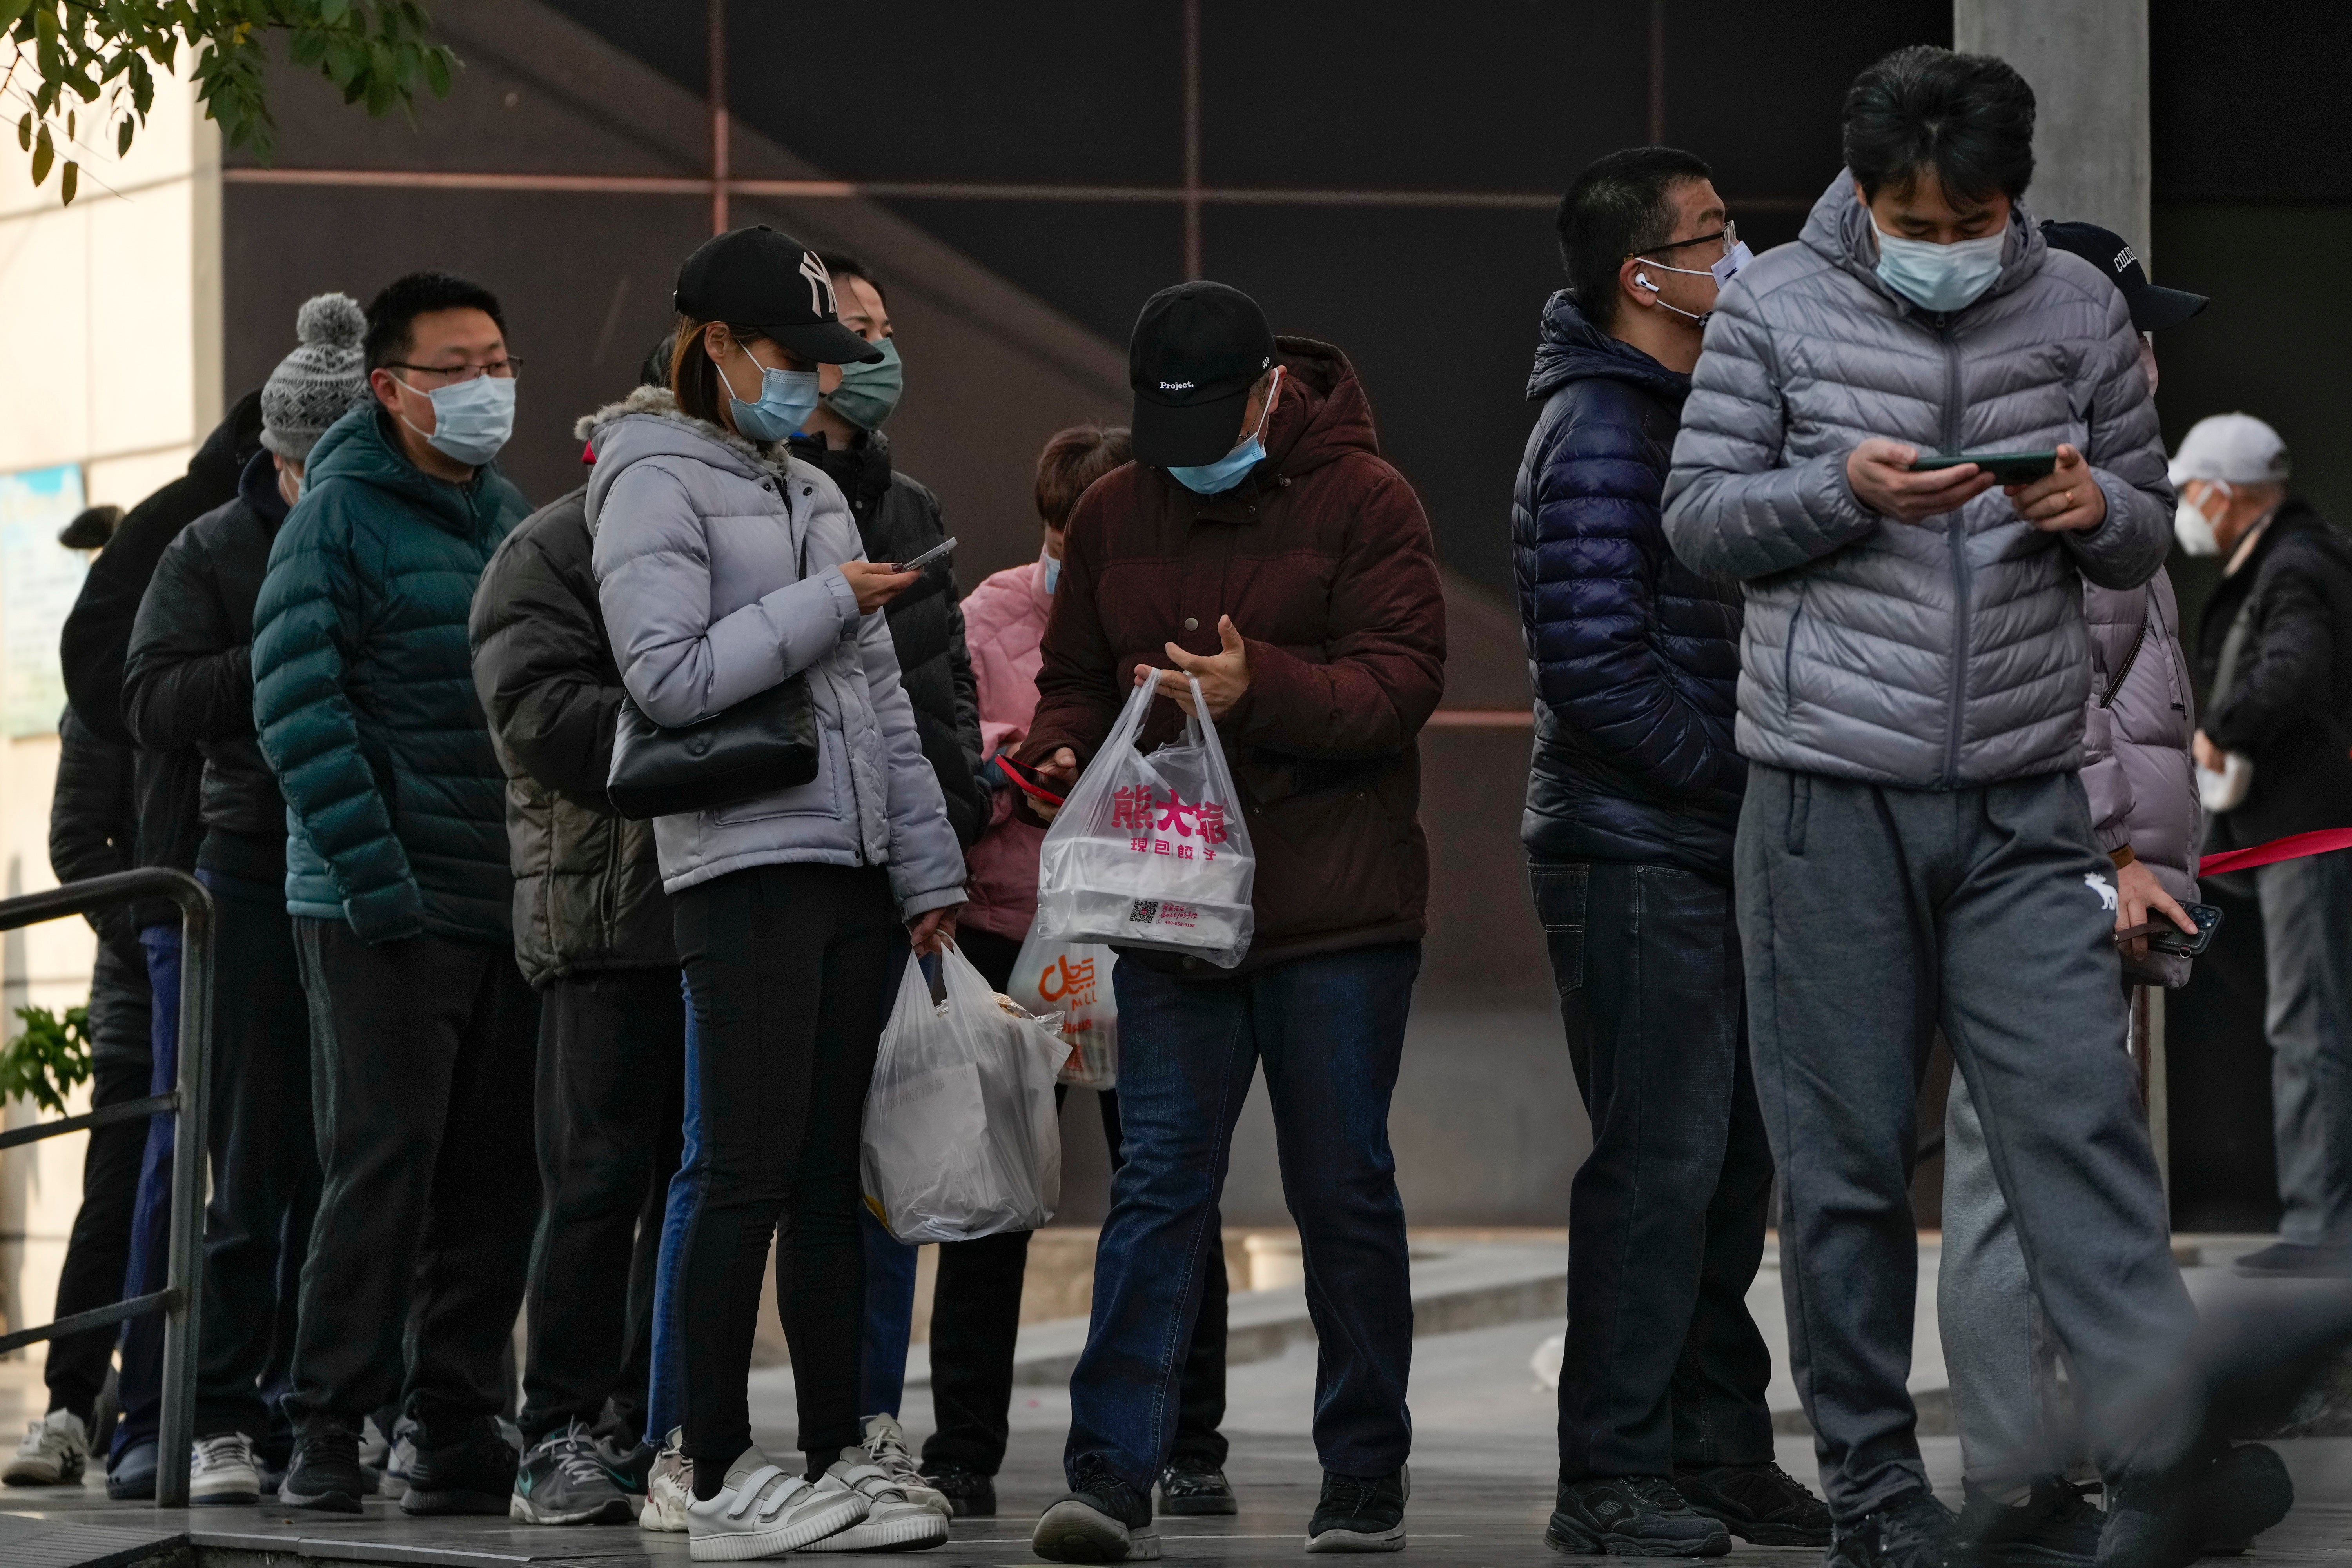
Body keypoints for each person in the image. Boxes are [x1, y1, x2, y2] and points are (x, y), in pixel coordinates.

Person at [1662, 46, 2223, 1568]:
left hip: (2026, 802)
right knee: (1844, 1162)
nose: (1941, 245)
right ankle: (1875, 1491)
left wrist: (2095, 508)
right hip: (1824, 797)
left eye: (1968, 221)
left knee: (2081, 1132)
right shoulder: (1772, 306)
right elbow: (1699, 518)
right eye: (1912, 221)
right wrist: (1841, 489)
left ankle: (2161, 1469)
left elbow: (2144, 528)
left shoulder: (2081, 309)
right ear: (1861, 192)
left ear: (2012, 200)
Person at [1017, 282, 1446, 1561]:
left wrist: (1265, 688)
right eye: (1169, 430)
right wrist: (1059, 746)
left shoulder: (1369, 500)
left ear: (1269, 393)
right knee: (1159, 1182)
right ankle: (1111, 1476)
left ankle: (1362, 1472)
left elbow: (1402, 683)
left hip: (1336, 910)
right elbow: (1072, 677)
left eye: (1212, 423)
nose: (1189, 454)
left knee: (1342, 1185)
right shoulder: (1116, 509)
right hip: (1174, 904)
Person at [588, 224, 960, 1558]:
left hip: (850, 866)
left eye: (824, 357)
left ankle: (837, 1449)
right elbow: (666, 676)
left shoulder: (807, 487)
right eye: (791, 356)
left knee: (824, 1176)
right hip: (742, 863)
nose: (816, 381)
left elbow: (886, 706)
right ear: (718, 348)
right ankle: (703, 1461)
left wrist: (925, 867)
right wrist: (826, 604)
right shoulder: (647, 478)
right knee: (739, 1168)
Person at [1514, 147, 1828, 1557]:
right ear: (1646, 278)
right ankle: (1610, 1476)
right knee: (1658, 1166)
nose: (1739, 250)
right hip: (1636, 850)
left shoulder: (1690, 412)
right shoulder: (1600, 426)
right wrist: (1738, 787)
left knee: (1726, 1167)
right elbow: (1595, 668)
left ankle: (1715, 1450)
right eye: (1713, 235)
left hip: (1704, 846)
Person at [253, 272, 539, 1515]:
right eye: (457, 369)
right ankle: (327, 1424)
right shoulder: (335, 518)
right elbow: (296, 706)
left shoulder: (508, 515)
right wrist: (377, 881)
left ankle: (455, 1420)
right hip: (379, 908)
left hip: (504, 909)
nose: (487, 388)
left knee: (494, 1176)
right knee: (381, 1168)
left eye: (499, 363)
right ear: (389, 387)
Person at [918, 423, 1238, 1523]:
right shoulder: (986, 617)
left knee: (1167, 1182)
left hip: (1142, 931)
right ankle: (962, 1446)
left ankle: (1190, 1441)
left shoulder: (1183, 612)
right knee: (992, 1198)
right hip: (1011, 931)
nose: (1080, 558)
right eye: (1066, 539)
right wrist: (1021, 767)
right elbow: (950, 750)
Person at [121, 294, 372, 1505]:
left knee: (351, 1164)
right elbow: (150, 700)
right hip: (253, 868)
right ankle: (207, 1409)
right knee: (245, 1161)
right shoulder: (210, 549)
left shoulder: (405, 528)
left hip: (375, 866)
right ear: (277, 457)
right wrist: (278, 655)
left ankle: (322, 1405)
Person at [470, 359, 686, 1526]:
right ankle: (556, 1430)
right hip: (601, 919)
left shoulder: (734, 534)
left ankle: (657, 1425)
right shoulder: (553, 548)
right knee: (595, 1189)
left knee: (696, 1190)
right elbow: (544, 716)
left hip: (720, 913)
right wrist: (704, 707)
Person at [783, 253, 982, 1510]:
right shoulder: (764, 489)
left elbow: (942, 682)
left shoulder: (908, 505)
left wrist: (951, 825)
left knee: (886, 1166)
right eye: (855, 328)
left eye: (888, 327)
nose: (879, 349)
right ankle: (707, 1430)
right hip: (795, 860)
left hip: (902, 872)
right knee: (764, 1167)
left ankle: (869, 1419)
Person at [56, 391, 262, 1501]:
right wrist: (141, 929)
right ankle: (107, 1404)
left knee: (265, 1163)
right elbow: (78, 837)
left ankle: (260, 1400)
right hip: (165, 936)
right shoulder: (178, 567)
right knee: (146, 1171)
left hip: (245, 909)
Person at [2174, 412, 2352, 1279]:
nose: (2183, 508)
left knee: (2307, 1024)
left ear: (2229, 494)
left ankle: (2320, 1232)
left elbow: (2294, 669)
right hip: (2285, 831)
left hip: (2305, 829)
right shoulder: (2294, 556)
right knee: (2306, 1017)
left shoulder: (2294, 565)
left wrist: (2222, 729)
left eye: (2189, 491)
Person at [5, 702, 152, 1488]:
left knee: (255, 1193)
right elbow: (75, 840)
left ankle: (242, 1412)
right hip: (141, 991)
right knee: (115, 1198)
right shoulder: (106, 675)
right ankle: (69, 1405)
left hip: (245, 977)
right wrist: (161, 942)